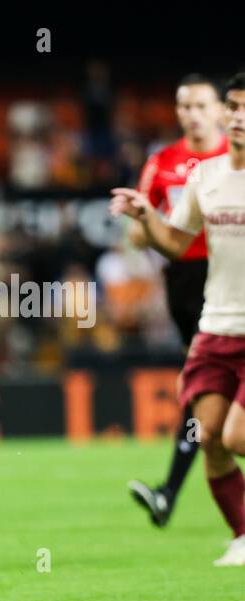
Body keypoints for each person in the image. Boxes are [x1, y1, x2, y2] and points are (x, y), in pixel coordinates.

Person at [111, 73, 245, 566]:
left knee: (234, 435)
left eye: (241, 107)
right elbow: (170, 242)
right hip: (210, 314)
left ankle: (170, 491)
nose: (237, 116)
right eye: (233, 106)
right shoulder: (196, 175)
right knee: (208, 434)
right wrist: (145, 215)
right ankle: (242, 534)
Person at [126, 75, 227, 527]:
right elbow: (136, 231)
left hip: (229, 275)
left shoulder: (234, 160)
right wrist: (152, 223)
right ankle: (171, 491)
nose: (192, 113)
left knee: (203, 386)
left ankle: (169, 491)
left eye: (201, 105)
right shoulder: (163, 163)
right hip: (185, 284)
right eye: (184, 105)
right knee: (204, 387)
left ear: (222, 110)